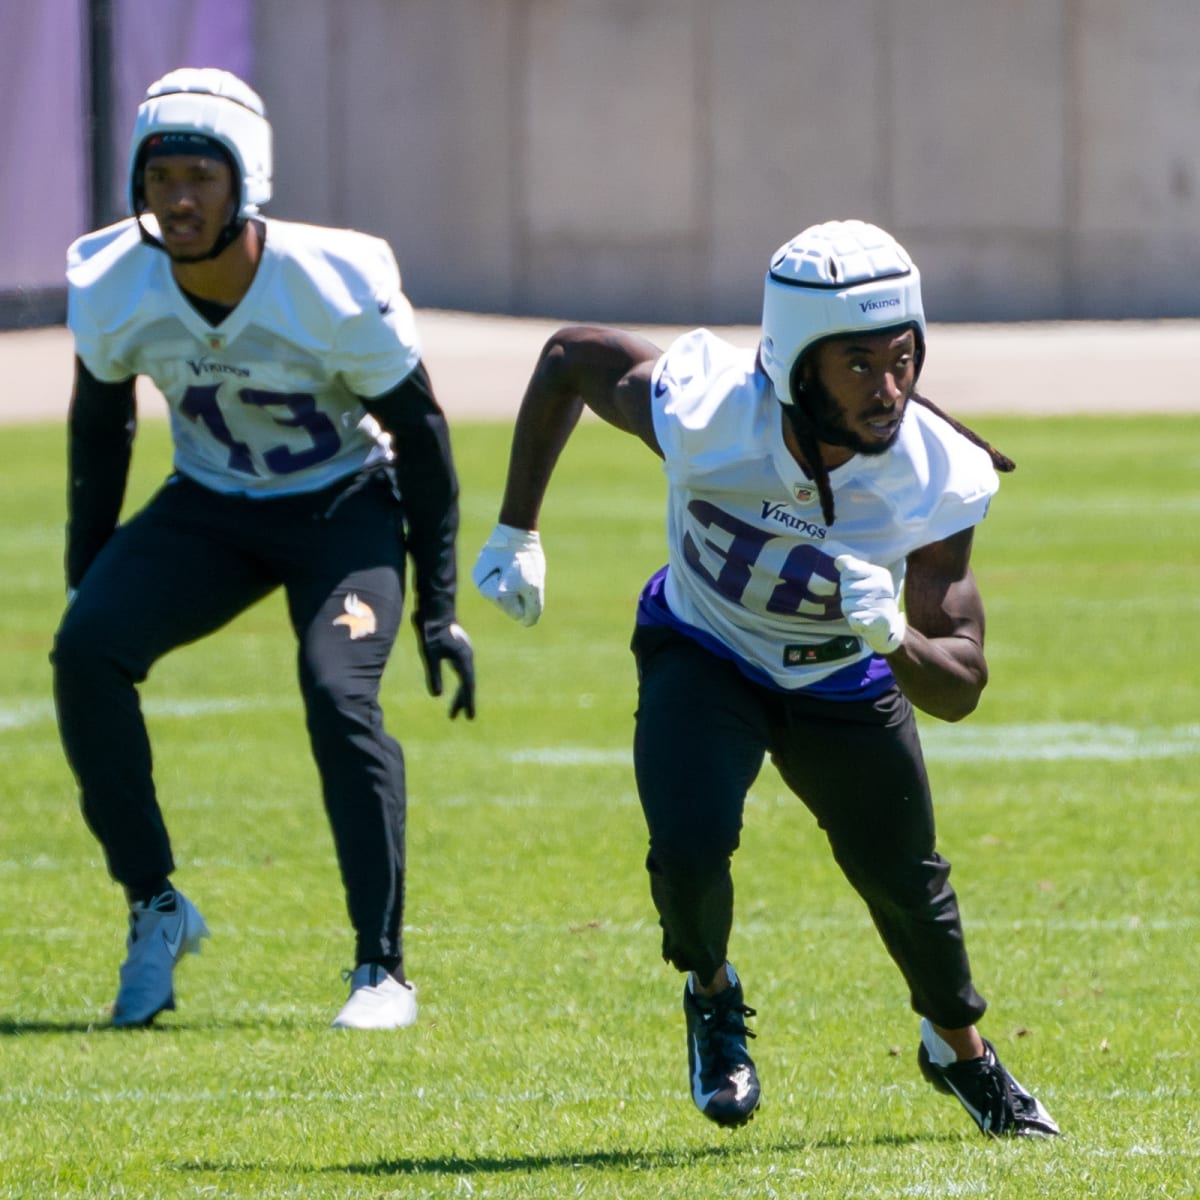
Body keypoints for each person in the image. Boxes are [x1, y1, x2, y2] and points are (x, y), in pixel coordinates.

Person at [472, 219, 1059, 1136]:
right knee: (691, 846)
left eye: (902, 358)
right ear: (794, 364)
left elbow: (960, 685)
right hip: (705, 648)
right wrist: (516, 528)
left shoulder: (935, 473)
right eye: (857, 364)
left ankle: (958, 1052)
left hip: (841, 678)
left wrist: (893, 635)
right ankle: (712, 994)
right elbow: (569, 357)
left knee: (909, 883)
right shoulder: (708, 414)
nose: (889, 388)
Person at [53, 67, 475, 1031]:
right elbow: (101, 423)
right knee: (85, 653)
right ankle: (155, 905)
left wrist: (439, 604)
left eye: (203, 175)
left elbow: (424, 433)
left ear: (250, 181)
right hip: (211, 507)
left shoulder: (328, 282)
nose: (182, 199)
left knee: (338, 692)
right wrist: (91, 574)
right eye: (162, 179)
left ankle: (382, 967)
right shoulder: (114, 277)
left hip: (342, 511)